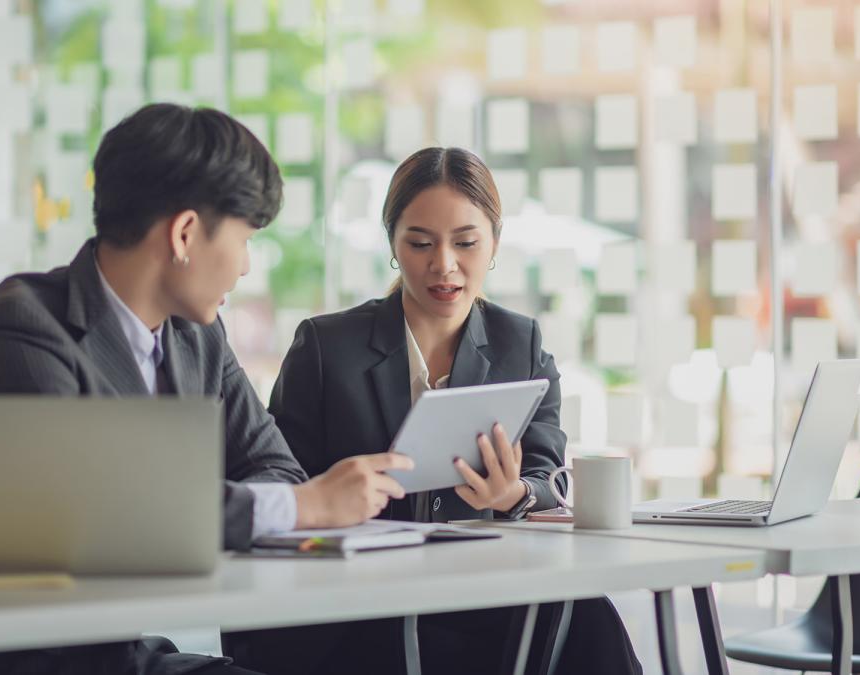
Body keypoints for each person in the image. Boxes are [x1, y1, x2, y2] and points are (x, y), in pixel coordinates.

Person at [0, 103, 413, 675]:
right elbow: (105, 517)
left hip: (128, 656)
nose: (245, 267)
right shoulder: (23, 329)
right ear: (185, 234)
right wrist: (304, 506)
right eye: (244, 240)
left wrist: (286, 501)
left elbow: (273, 468)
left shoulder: (196, 335)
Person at [225, 147, 642, 674]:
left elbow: (546, 476)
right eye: (420, 243)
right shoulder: (329, 347)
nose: (443, 265)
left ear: (493, 243)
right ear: (394, 247)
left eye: (465, 243)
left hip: (480, 589)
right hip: (362, 600)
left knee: (589, 617)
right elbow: (280, 481)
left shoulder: (521, 344)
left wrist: (511, 493)